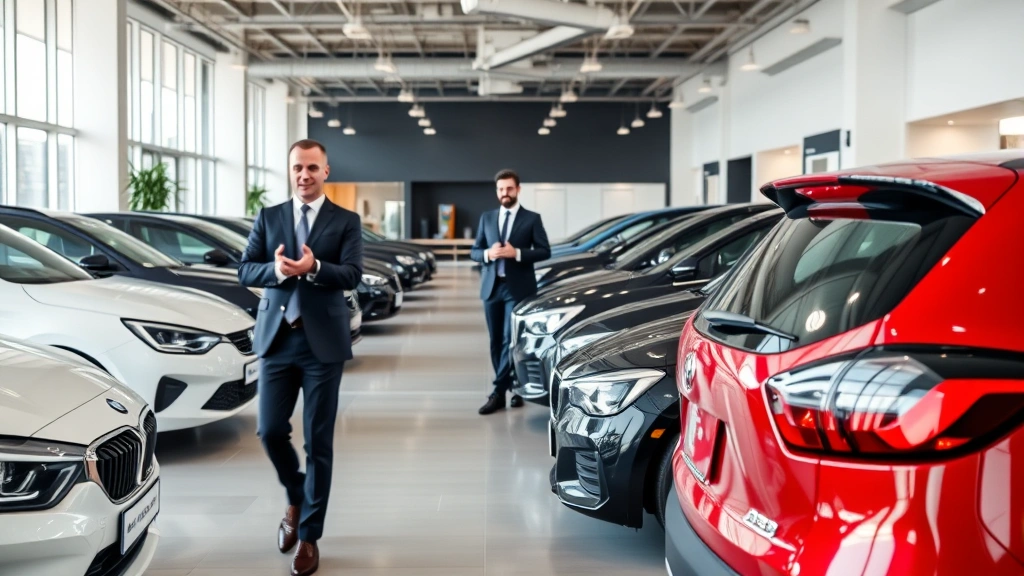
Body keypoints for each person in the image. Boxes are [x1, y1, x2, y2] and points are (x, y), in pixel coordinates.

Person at [238, 139, 363, 576]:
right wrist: (274, 270)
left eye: (312, 167)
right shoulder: (269, 217)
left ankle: (309, 535)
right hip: (276, 340)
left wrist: (313, 268)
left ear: (326, 171)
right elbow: (245, 268)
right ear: (289, 171)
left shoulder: (345, 220)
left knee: (318, 442)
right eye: (297, 168)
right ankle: (296, 496)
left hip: (322, 345)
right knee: (269, 430)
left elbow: (351, 274)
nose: (304, 175)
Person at [471, 169, 551, 415]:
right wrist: (488, 254)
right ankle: (513, 387)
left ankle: (498, 392)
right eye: (500, 189)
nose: (504, 193)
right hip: (492, 287)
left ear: (518, 189)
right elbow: (474, 251)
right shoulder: (487, 217)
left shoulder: (532, 218)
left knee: (509, 340)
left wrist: (516, 253)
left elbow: (544, 251)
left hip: (518, 289)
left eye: (509, 188)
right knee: (495, 341)